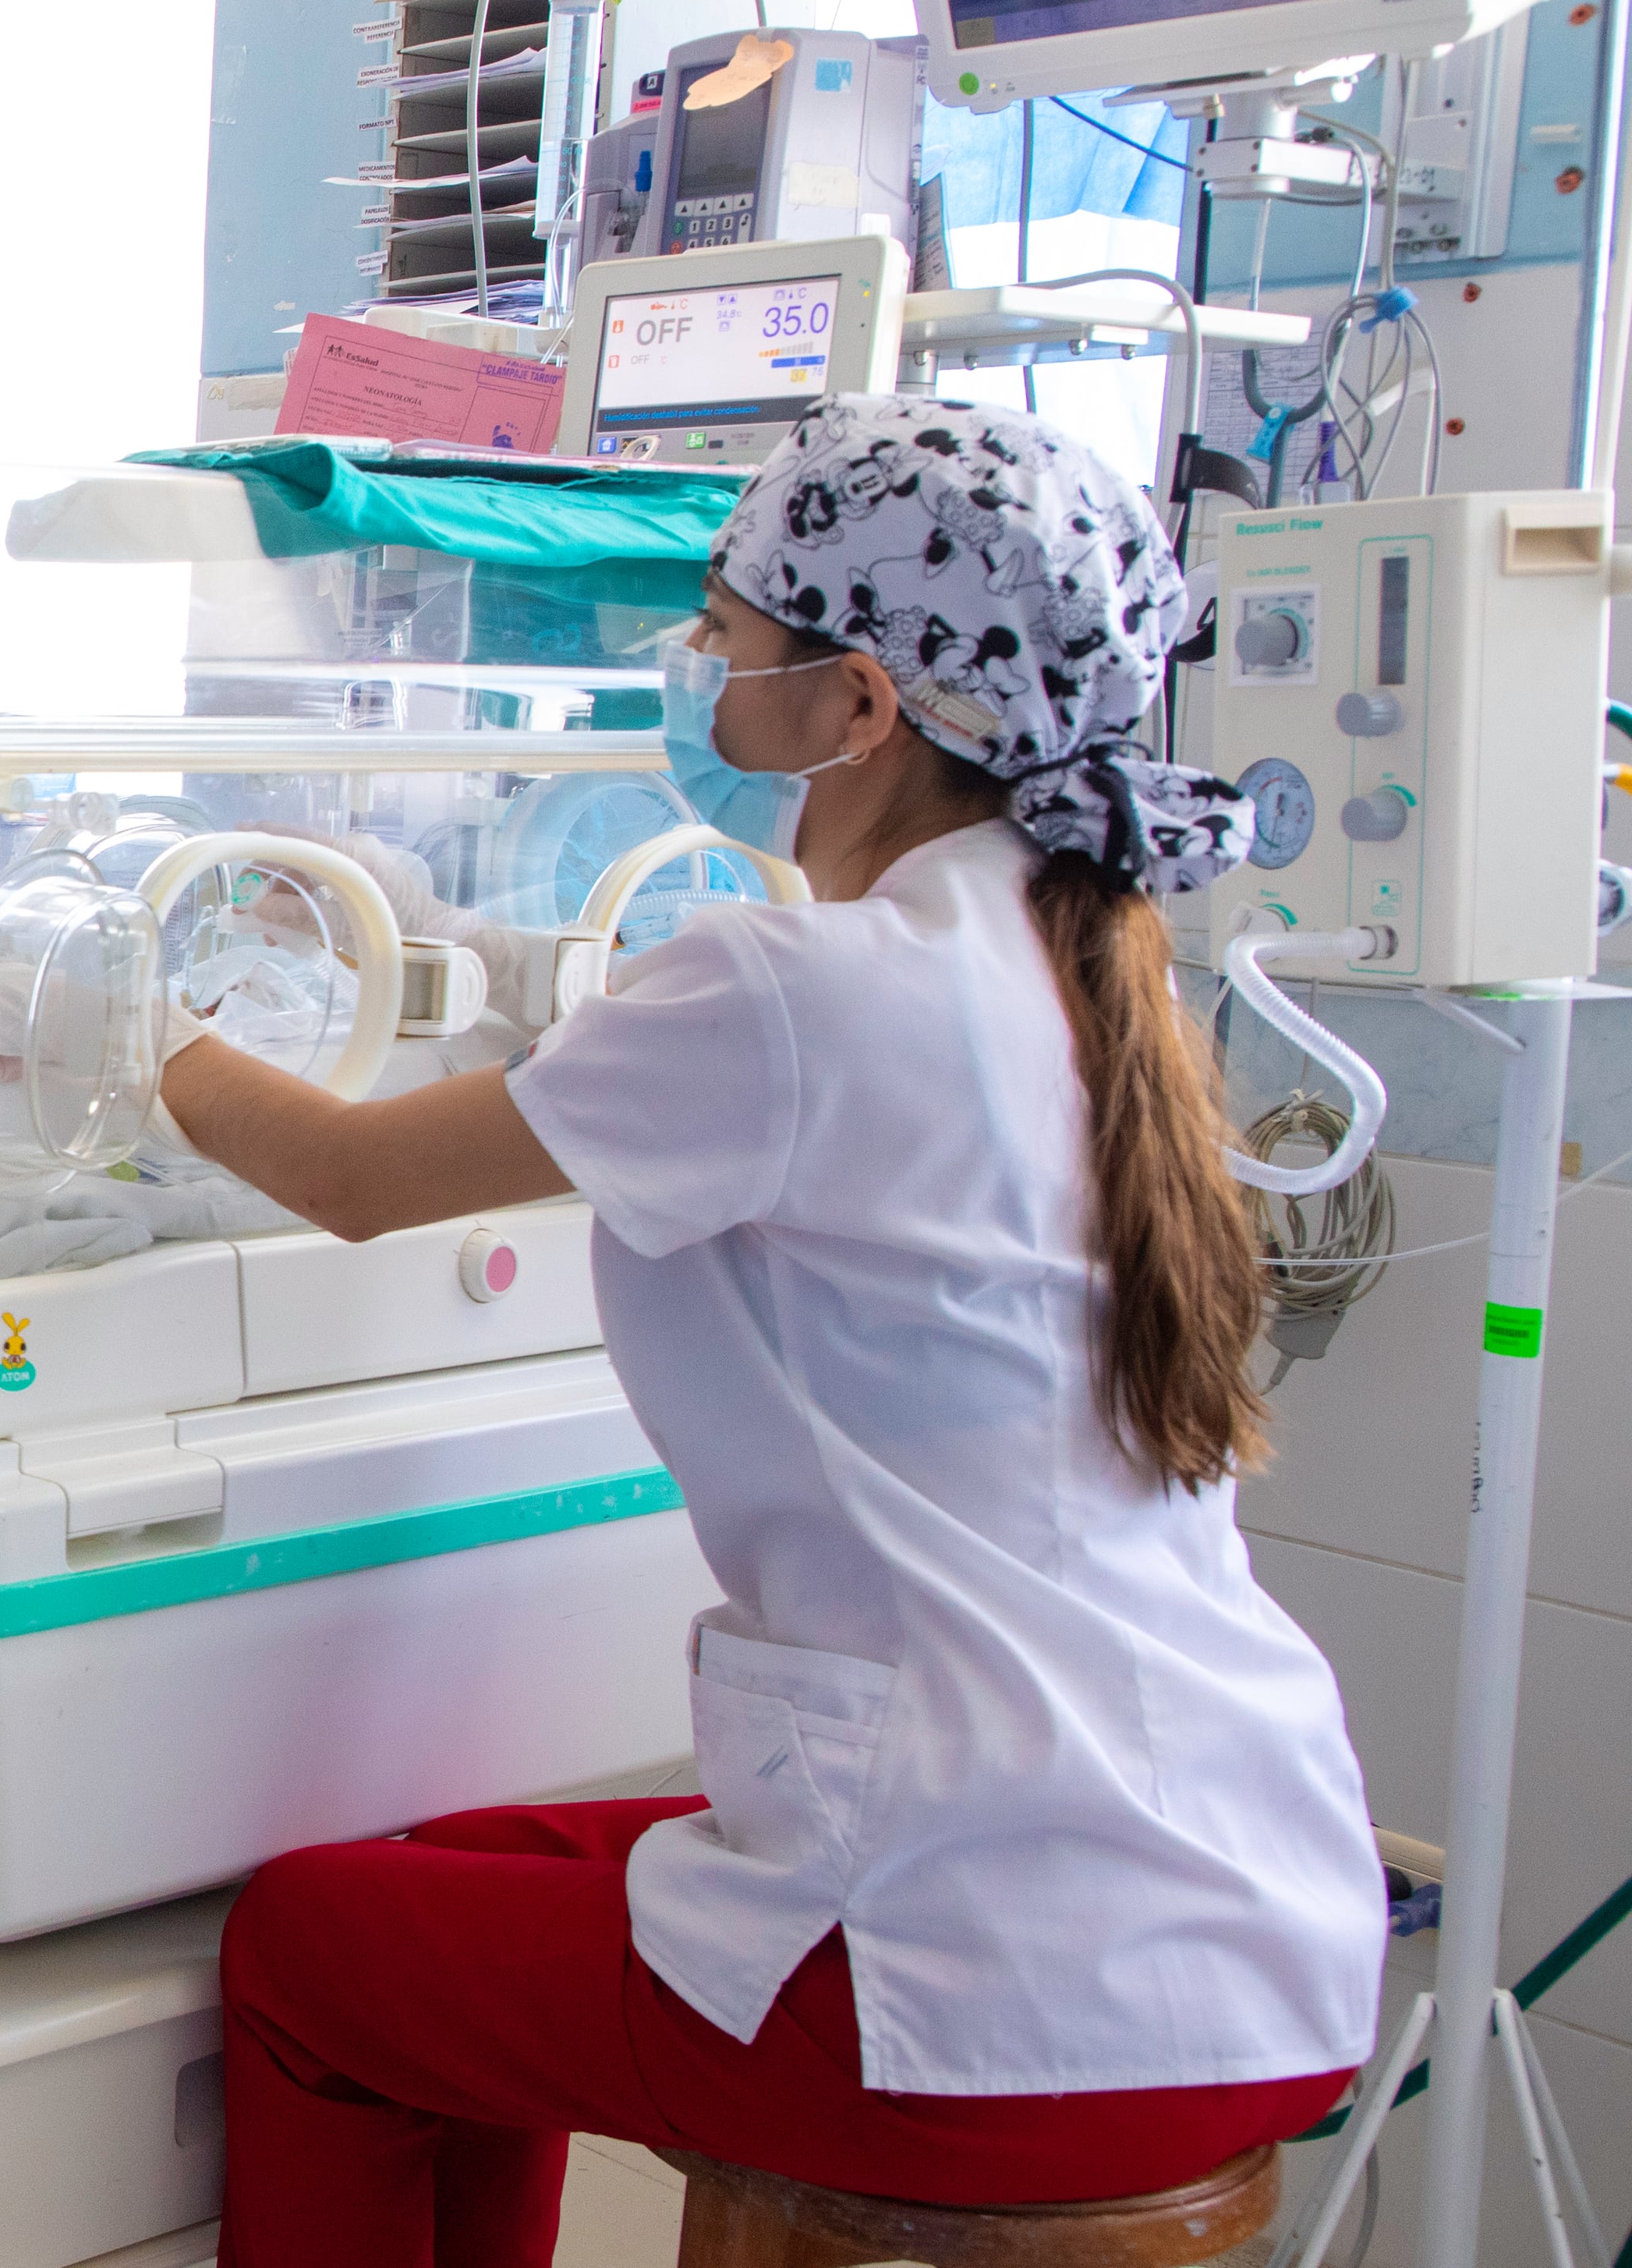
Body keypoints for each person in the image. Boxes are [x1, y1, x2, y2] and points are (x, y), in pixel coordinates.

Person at [157, 397, 1384, 2268]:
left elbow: (340, 1171)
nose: (695, 683)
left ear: (861, 706)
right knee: (440, 1878)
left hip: (989, 1986)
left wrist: (121, 1011)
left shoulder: (789, 983)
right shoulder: (1082, 969)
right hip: (1245, 1929)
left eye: (723, 645)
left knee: (309, 1952)